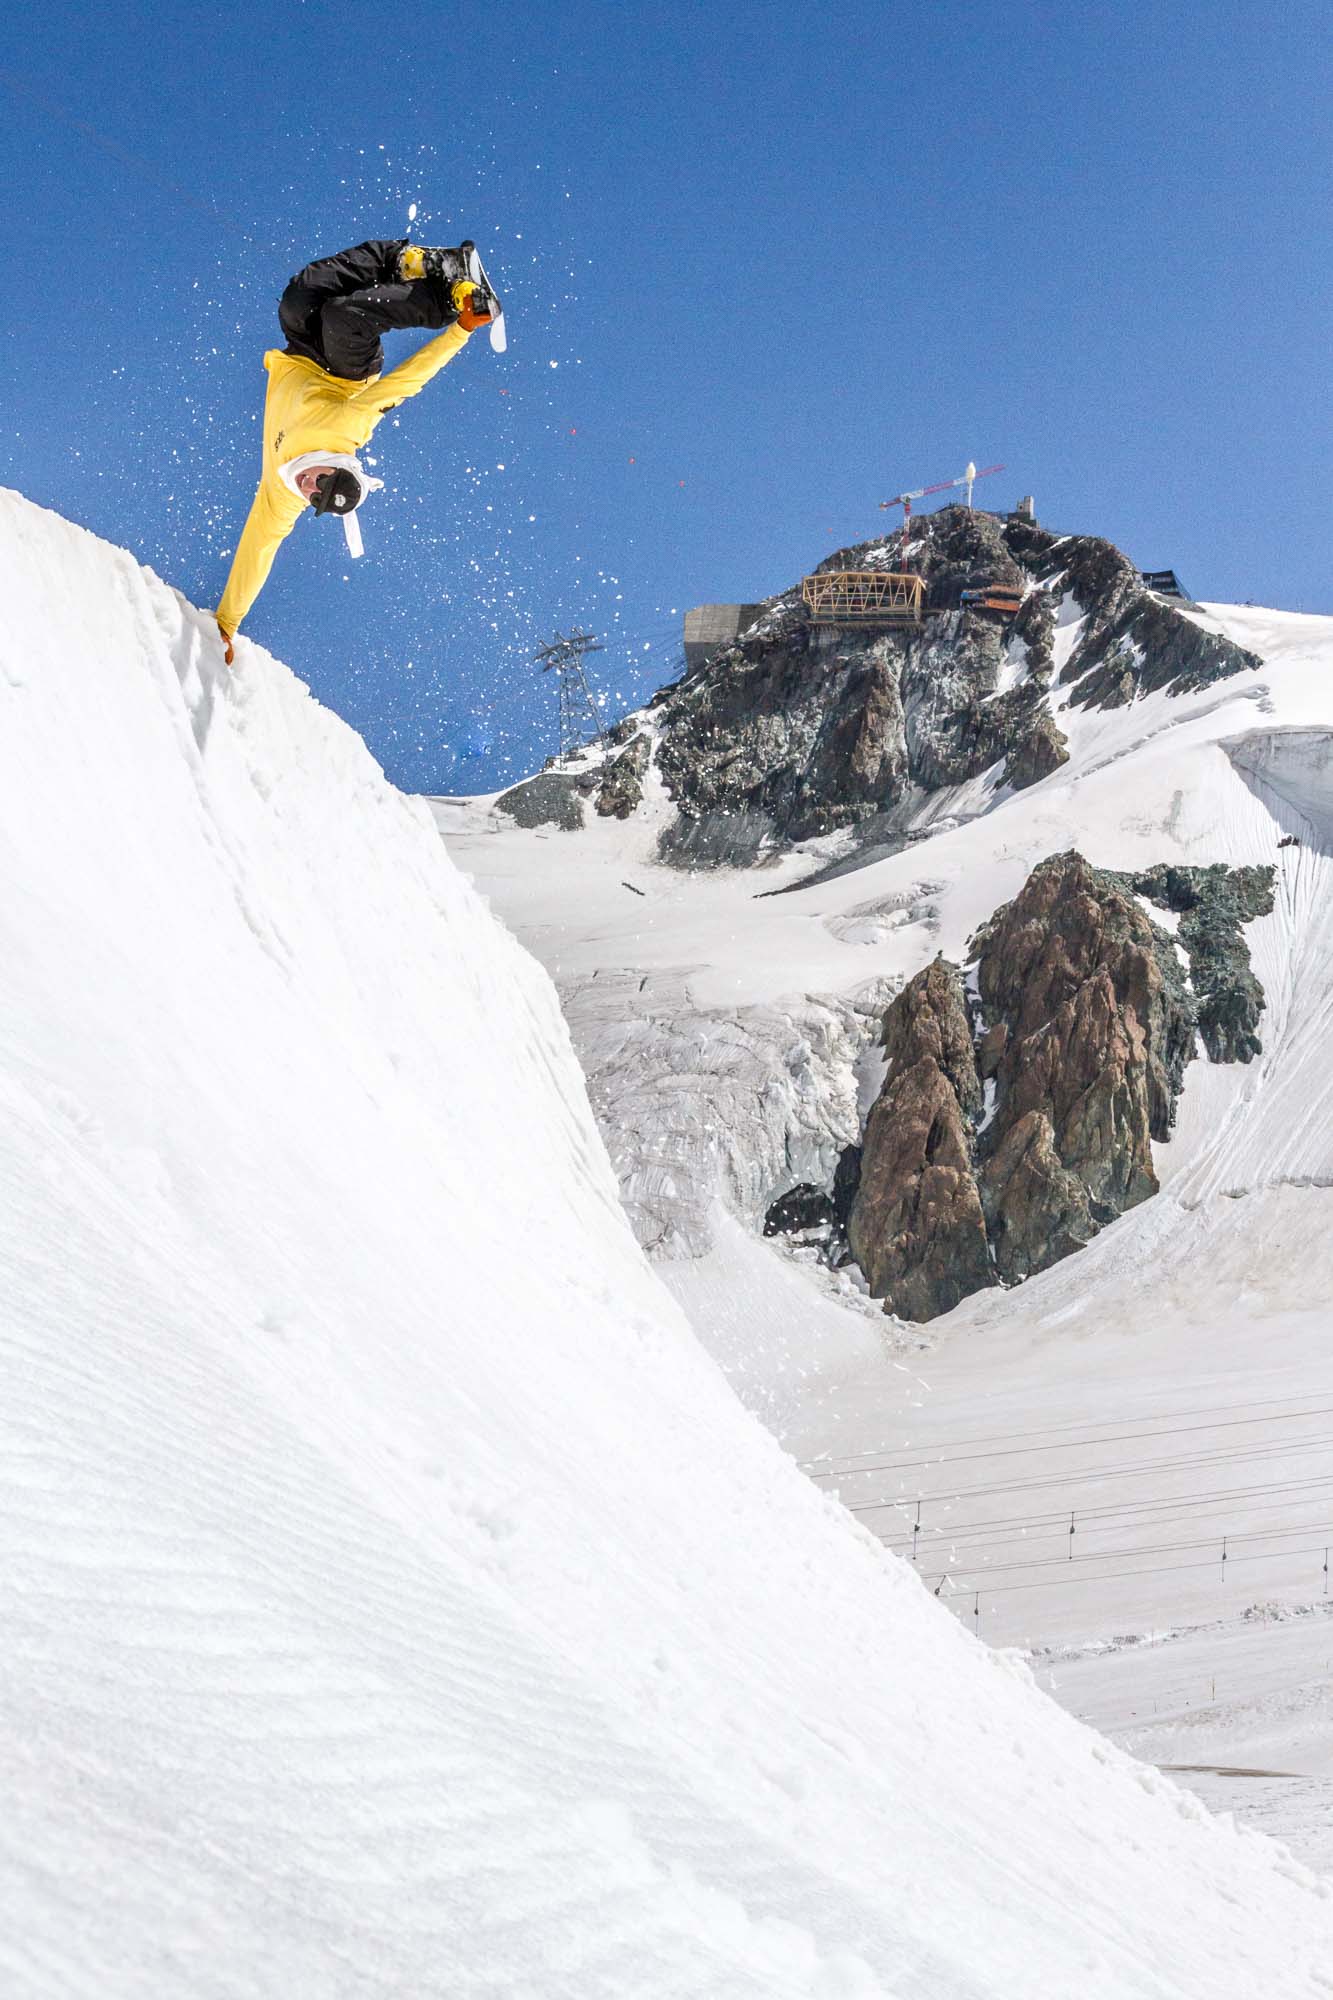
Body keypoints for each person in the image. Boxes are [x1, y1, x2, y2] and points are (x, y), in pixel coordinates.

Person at [215, 239, 493, 660]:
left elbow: (257, 552)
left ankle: (426, 284)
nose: (309, 487)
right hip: (347, 371)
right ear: (333, 468)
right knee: (340, 314)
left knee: (297, 303)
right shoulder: (344, 429)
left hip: (301, 353)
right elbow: (405, 383)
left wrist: (226, 623)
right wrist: (460, 331)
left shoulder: (280, 497)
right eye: (321, 483)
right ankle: (430, 280)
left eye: (314, 496)